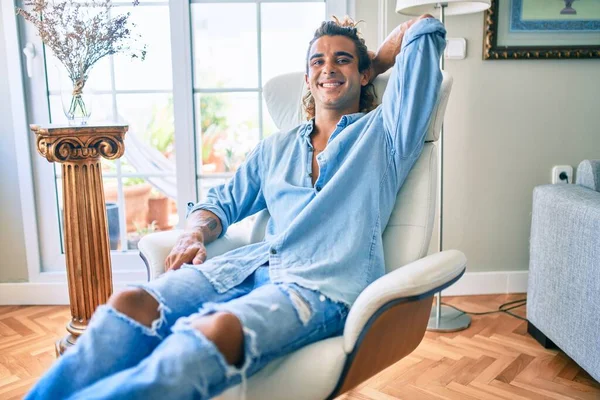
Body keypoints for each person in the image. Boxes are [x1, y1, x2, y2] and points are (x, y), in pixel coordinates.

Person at [26, 14, 446, 400]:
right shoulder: (276, 149)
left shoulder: (386, 136)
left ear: (365, 71)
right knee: (130, 303)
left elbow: (426, 29)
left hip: (320, 287)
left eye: (342, 61)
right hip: (243, 269)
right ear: (307, 77)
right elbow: (219, 205)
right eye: (317, 62)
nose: (328, 68)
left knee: (214, 332)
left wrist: (375, 58)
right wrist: (193, 231)